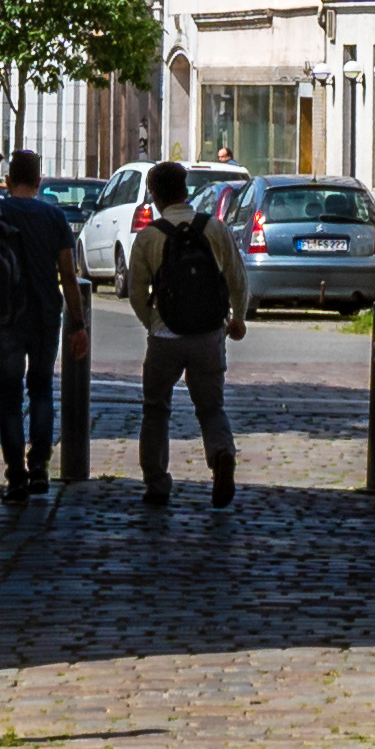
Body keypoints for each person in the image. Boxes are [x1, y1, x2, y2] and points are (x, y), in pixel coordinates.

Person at [121, 158, 248, 504]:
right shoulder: (215, 228)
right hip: (209, 334)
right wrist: (237, 318)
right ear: (185, 190)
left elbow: (135, 293)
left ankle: (157, 483)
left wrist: (154, 323)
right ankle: (222, 453)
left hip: (165, 337)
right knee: (211, 407)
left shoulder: (149, 237)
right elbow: (237, 280)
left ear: (155, 195)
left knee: (156, 408)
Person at [0, 146, 82, 493]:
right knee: (41, 389)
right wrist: (79, 323)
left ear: (9, 180)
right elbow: (69, 276)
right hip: (45, 314)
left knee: (9, 397)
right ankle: (39, 466)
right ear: (39, 181)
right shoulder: (54, 218)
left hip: (6, 315)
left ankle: (15, 474)